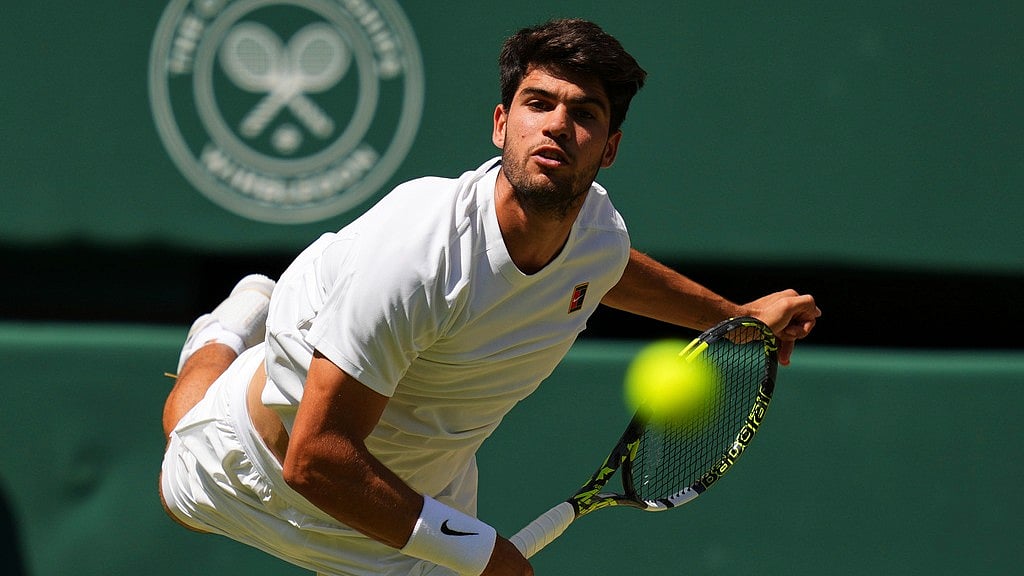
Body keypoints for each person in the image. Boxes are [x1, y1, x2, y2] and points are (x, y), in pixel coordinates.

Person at [159, 17, 819, 576]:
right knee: (180, 443)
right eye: (538, 104)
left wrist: (734, 318)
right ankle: (226, 328)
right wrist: (480, 553)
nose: (557, 126)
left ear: (610, 148)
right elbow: (315, 458)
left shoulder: (599, 237)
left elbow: (609, 268)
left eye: (584, 114)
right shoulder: (421, 257)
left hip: (410, 496)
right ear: (501, 123)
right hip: (261, 467)